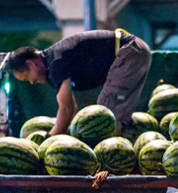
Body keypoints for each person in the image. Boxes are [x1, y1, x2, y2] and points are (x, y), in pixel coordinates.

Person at [8, 30, 151, 136]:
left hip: (128, 51)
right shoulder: (54, 62)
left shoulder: (55, 64)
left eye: (27, 77)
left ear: (32, 64)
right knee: (114, 118)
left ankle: (110, 166)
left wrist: (50, 138)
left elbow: (67, 108)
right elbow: (72, 108)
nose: (32, 82)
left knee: (103, 118)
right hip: (134, 50)